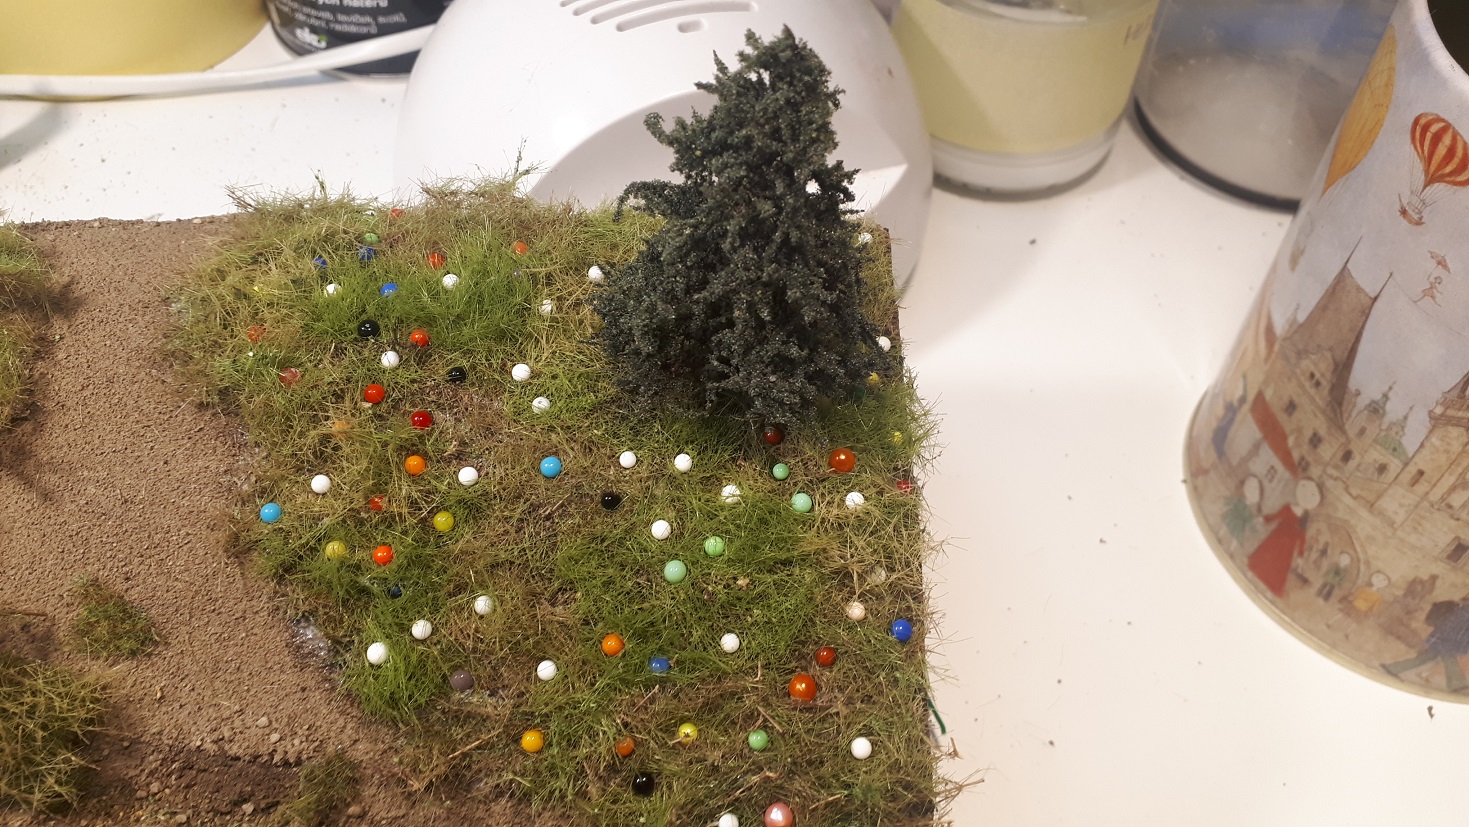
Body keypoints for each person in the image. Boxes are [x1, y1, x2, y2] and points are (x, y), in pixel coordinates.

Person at [1382, 597, 1469, 692]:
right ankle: (1457, 683)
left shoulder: (1462, 610)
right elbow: (1453, 629)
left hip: (1442, 641)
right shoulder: (1464, 612)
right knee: (1450, 661)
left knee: (1423, 659)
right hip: (1444, 642)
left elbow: (1456, 630)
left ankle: (1392, 668)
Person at [1247, 504, 1309, 598]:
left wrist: (1300, 556)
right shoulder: (1288, 507)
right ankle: (1252, 576)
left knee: (1278, 567)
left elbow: (1302, 538)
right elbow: (1275, 516)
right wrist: (1262, 519)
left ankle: (1270, 589)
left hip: (1287, 547)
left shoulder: (1305, 516)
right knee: (1266, 557)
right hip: (1277, 539)